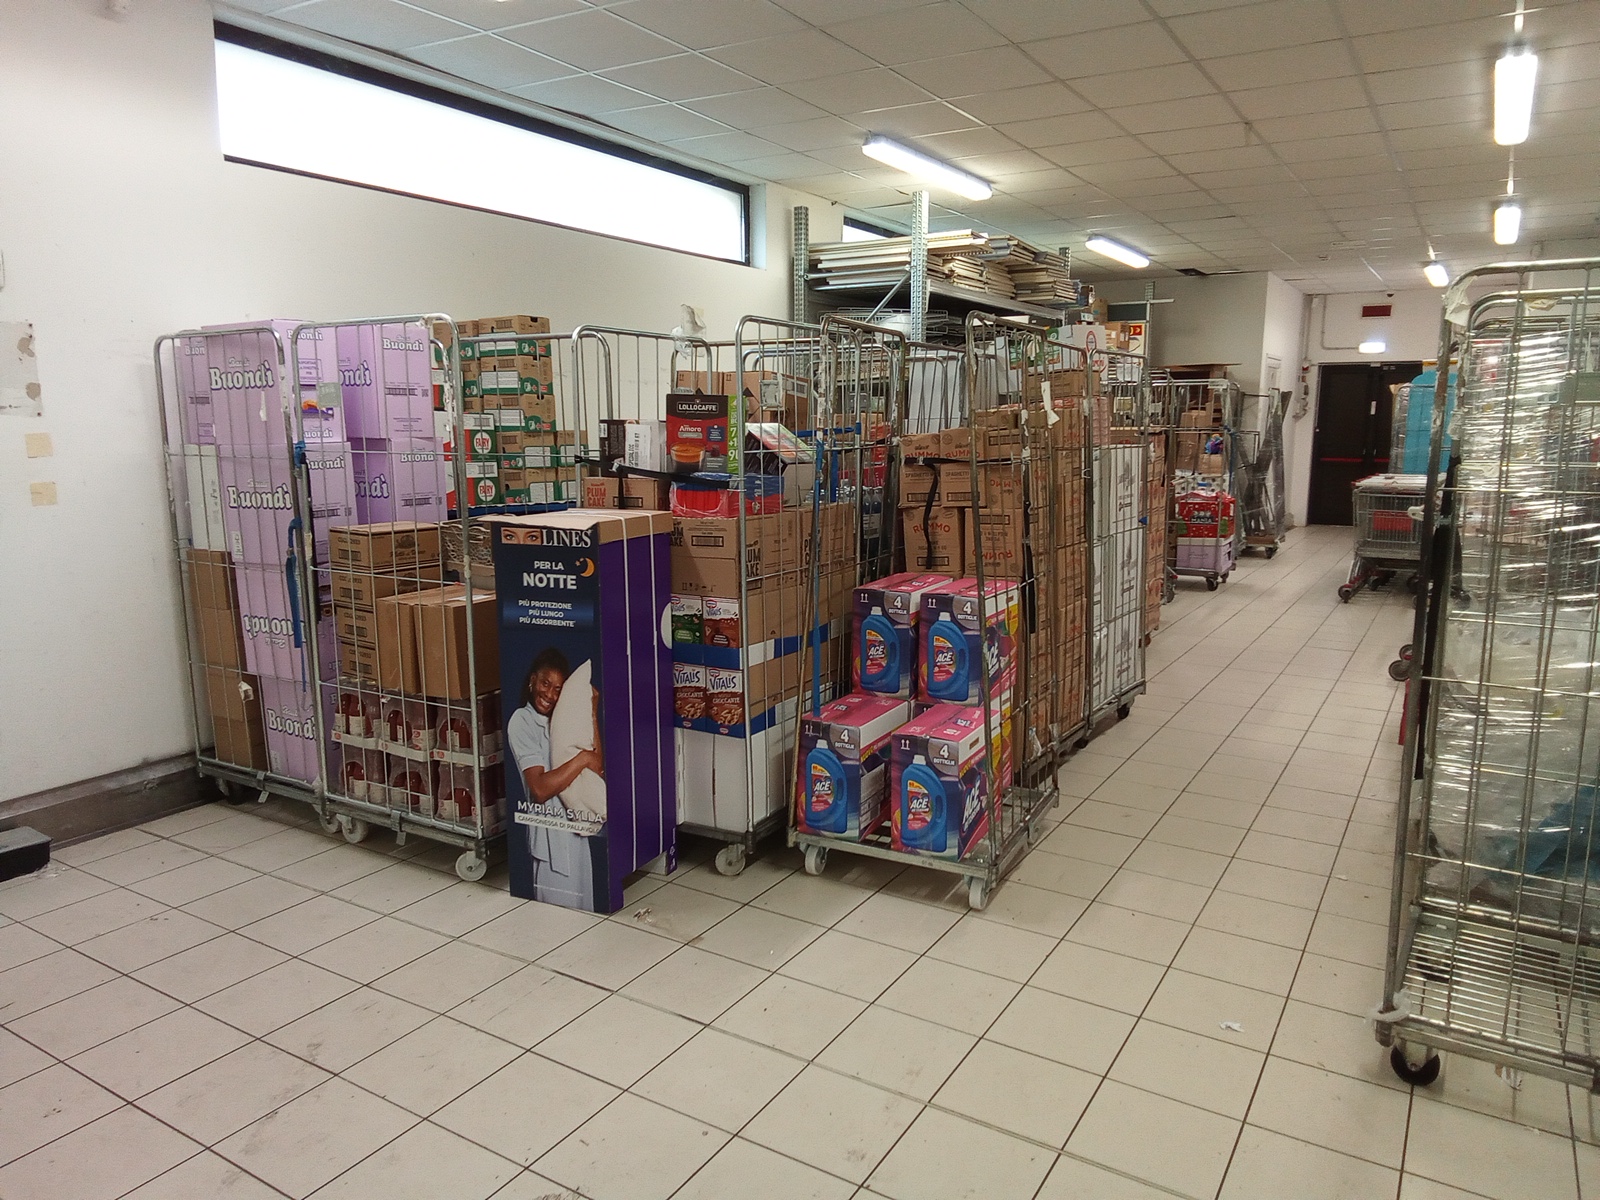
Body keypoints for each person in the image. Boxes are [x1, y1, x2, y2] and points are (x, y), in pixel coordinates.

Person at [506, 647, 605, 908]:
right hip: (550, 841)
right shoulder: (522, 721)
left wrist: (592, 710)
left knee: (585, 914)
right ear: (532, 681)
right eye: (545, 683)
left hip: (577, 830)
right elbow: (539, 789)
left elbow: (597, 766)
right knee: (558, 917)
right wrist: (582, 758)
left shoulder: (561, 723)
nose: (550, 694)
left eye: (558, 689)